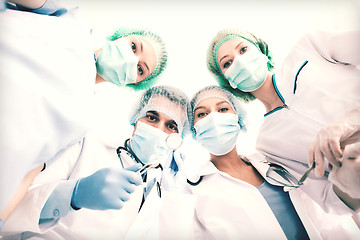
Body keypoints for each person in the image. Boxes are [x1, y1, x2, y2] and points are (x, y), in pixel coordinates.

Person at [0, 0, 167, 227]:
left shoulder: (83, 121)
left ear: (133, 83)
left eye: (140, 69)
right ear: (120, 37)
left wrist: (2, 215)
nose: (131, 58)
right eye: (134, 46)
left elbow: (28, 172)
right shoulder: (70, 18)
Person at [0, 85, 195, 239]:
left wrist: (176, 198)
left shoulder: (168, 188)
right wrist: (74, 194)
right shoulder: (85, 145)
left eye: (171, 126)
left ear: (178, 138)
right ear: (135, 120)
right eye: (152, 117)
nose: (159, 129)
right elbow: (13, 207)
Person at [205, 28, 360, 215]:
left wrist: (350, 121)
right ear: (229, 82)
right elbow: (330, 199)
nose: (239, 61)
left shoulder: (309, 48)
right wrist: (349, 179)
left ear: (261, 50)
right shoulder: (268, 144)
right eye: (228, 63)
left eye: (243, 49)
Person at [186, 85, 359, 240]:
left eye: (223, 109)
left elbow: (324, 221)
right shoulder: (194, 191)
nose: (213, 119)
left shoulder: (273, 162)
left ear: (238, 117)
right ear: (194, 129)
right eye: (202, 114)